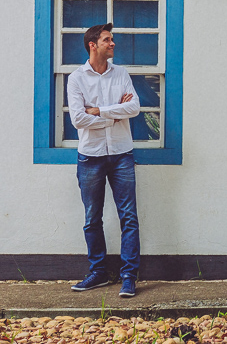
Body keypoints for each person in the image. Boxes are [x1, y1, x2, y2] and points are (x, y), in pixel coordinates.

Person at [67, 22, 142, 298]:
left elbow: (134, 107)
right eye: (108, 40)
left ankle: (129, 277)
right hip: (91, 156)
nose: (113, 44)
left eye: (112, 39)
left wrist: (99, 111)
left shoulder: (121, 74)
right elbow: (77, 119)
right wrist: (115, 115)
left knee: (129, 217)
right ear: (93, 45)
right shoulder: (76, 78)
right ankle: (98, 272)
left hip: (122, 154)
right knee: (91, 218)